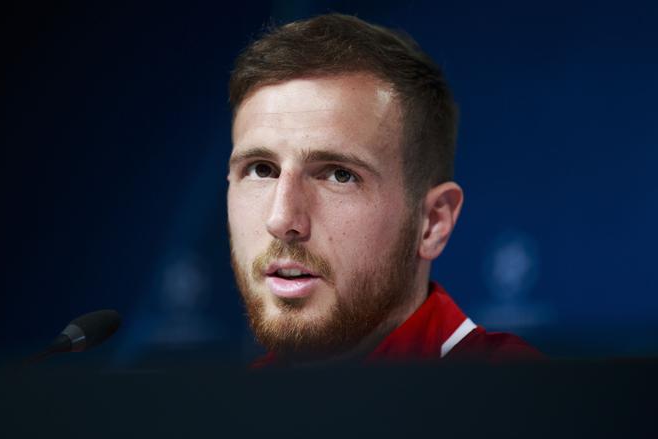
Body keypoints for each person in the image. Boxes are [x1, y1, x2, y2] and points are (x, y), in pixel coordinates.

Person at [226, 13, 542, 366]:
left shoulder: (520, 398)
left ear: (433, 222)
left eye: (339, 175)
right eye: (261, 169)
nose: (281, 219)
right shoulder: (226, 407)